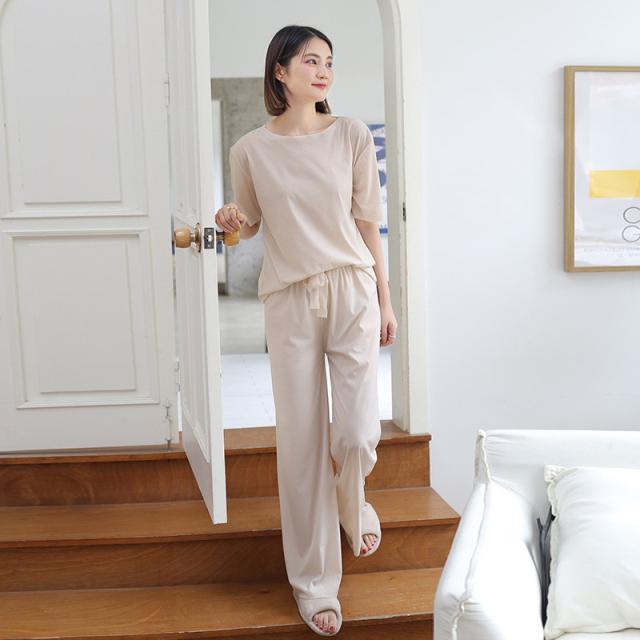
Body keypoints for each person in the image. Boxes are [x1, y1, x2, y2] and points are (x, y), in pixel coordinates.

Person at [215, 24, 398, 637]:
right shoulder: (249, 149)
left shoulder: (349, 135)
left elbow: (368, 223)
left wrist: (386, 299)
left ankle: (353, 503)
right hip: (290, 299)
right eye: (310, 61)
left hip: (352, 289)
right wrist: (230, 220)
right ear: (280, 71)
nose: (323, 72)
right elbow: (248, 226)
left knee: (357, 433)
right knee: (301, 443)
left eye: (328, 62)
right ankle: (316, 583)